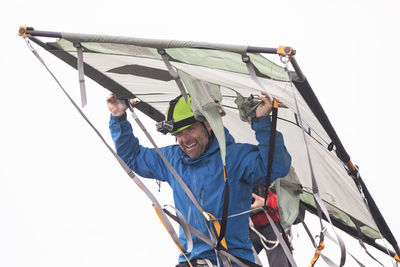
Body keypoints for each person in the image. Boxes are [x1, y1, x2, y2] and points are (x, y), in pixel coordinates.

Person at [106, 91, 291, 266]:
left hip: (233, 261)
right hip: (190, 261)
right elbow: (133, 157)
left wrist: (263, 122)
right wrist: (118, 116)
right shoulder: (172, 160)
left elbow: (276, 167)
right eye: (178, 134)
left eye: (190, 129)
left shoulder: (234, 157)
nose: (185, 139)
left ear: (208, 124)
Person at [250, 185, 290, 267]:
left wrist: (268, 203)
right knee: (235, 261)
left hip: (273, 227)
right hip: (249, 226)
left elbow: (289, 199)